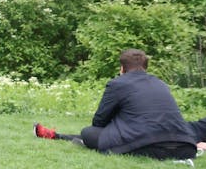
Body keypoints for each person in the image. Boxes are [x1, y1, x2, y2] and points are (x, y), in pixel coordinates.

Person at [34, 49, 197, 161]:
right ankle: (58, 135)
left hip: (147, 146)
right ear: (146, 68)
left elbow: (99, 122)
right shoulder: (161, 84)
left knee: (88, 132)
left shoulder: (118, 83)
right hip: (185, 146)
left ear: (122, 69)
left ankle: (58, 136)